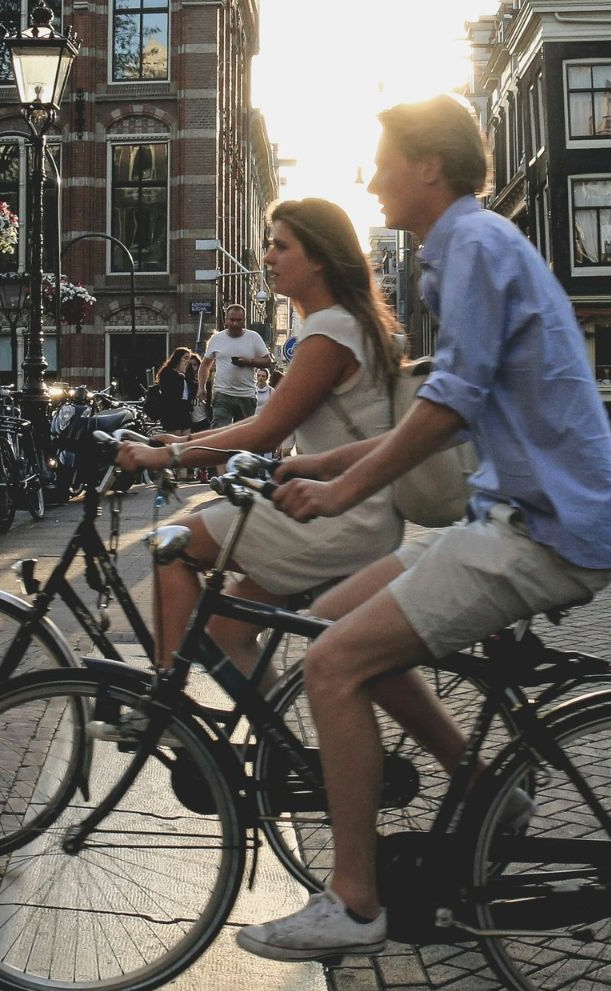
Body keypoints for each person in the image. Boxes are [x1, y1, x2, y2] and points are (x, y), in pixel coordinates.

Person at [244, 95, 611, 961]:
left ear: (427, 167)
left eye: (383, 161)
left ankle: (352, 902)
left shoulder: (477, 248)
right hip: (513, 514)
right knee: (330, 622)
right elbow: (454, 400)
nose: (371, 178)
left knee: (331, 662)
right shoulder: (458, 251)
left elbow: (450, 405)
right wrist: (320, 466)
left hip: (545, 530)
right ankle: (488, 788)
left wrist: (346, 495)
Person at [115, 198, 405, 676]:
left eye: (279, 246)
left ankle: (164, 706)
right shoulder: (356, 323)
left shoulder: (330, 330)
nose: (267, 257)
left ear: (318, 257)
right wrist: (176, 445)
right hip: (356, 512)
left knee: (172, 543)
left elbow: (266, 429)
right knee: (228, 634)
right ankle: (281, 752)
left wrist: (163, 459)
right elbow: (263, 425)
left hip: (334, 515)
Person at [201, 304, 274, 430]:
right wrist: (201, 387)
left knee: (244, 433)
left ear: (244, 321)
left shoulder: (253, 337)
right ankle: (220, 450)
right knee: (219, 429)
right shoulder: (217, 339)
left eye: (239, 320)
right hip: (222, 393)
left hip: (246, 394)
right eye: (232, 320)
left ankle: (240, 450)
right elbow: (205, 364)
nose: (235, 323)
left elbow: (268, 361)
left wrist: (249, 361)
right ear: (226, 320)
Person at [147, 347, 199, 434]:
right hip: (172, 410)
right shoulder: (167, 372)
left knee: (186, 437)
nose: (187, 361)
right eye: (185, 358)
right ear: (178, 358)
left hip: (185, 410)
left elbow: (191, 392)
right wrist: (180, 375)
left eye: (189, 358)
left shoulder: (187, 374)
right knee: (176, 437)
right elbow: (171, 393)